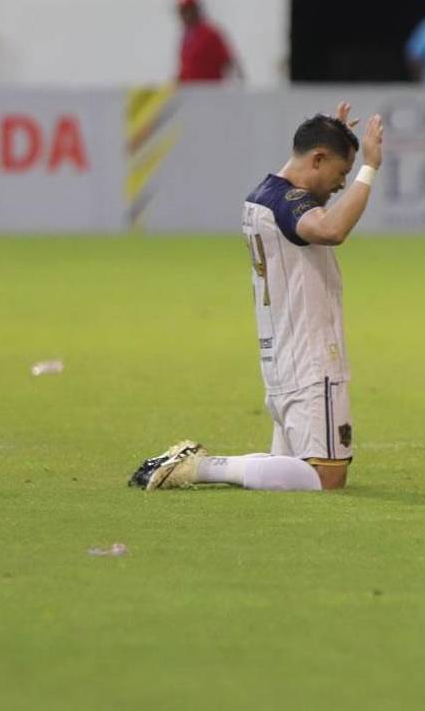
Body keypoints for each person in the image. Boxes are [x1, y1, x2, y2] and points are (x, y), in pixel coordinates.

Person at [129, 104, 385, 492]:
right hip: (312, 358)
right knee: (324, 477)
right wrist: (370, 166)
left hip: (281, 355)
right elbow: (331, 229)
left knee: (290, 468)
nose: (342, 184)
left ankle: (195, 466)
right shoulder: (291, 204)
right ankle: (199, 467)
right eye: (340, 173)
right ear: (317, 158)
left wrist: (334, 138)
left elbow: (308, 217)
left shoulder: (263, 196)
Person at [175, 0, 242, 83]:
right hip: (191, 93)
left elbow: (229, 62)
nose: (183, 15)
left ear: (195, 10)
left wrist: (239, 90)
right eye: (181, 11)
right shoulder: (186, 38)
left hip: (209, 92)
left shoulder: (210, 33)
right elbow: (185, 70)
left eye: (186, 10)